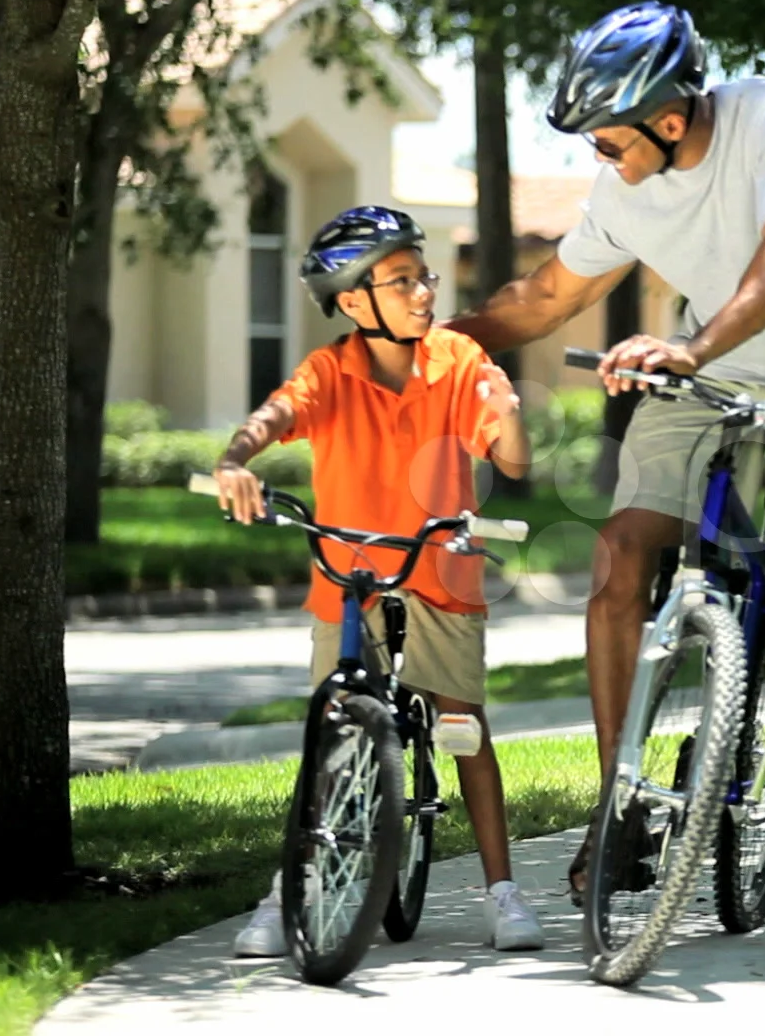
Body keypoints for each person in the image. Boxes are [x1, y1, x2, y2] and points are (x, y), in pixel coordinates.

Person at [448, 0, 765, 915]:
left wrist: (692, 348)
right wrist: (427, 349)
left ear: (668, 118)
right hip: (701, 380)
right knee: (621, 552)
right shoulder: (626, 190)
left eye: (609, 138)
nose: (598, 158)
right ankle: (618, 806)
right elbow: (543, 299)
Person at [215, 206, 546, 956]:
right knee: (332, 728)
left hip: (441, 571)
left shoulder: (459, 360)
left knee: (464, 728)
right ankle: (287, 892)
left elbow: (516, 460)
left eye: (423, 275)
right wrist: (236, 460)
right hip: (350, 575)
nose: (425, 291)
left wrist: (508, 410)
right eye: (403, 281)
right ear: (355, 300)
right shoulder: (329, 372)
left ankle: (502, 891)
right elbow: (272, 416)